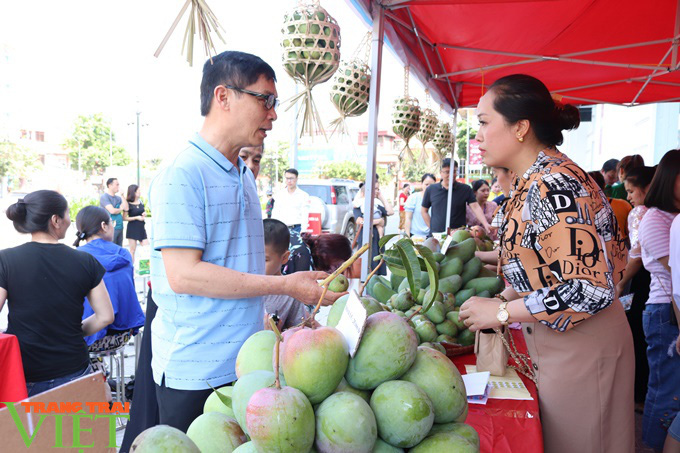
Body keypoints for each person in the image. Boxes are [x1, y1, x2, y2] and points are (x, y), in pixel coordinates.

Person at [147, 50, 343, 432]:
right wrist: (285, 285)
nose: (272, 113)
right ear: (223, 97)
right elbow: (184, 276)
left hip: (243, 366)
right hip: (196, 372)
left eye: (275, 103)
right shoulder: (183, 173)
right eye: (264, 100)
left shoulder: (243, 173)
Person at [458, 74, 634, 452]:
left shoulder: (553, 184)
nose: (478, 136)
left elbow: (588, 288)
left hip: (583, 348)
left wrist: (502, 312)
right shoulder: (530, 182)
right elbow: (544, 265)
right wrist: (505, 294)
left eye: (484, 123)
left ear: (520, 127)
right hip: (558, 343)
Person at [1, 190, 114, 396]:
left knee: (31, 429)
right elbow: (106, 316)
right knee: (76, 429)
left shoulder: (6, 260)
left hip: (25, 372)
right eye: (68, 214)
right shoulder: (85, 261)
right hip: (74, 369)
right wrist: (70, 331)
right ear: (55, 220)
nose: (70, 221)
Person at [637, 149, 680, 451]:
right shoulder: (655, 218)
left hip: (671, 308)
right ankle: (653, 446)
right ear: (671, 179)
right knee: (667, 388)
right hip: (666, 309)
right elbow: (675, 272)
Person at [73, 206, 145, 350]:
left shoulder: (74, 257)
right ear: (104, 226)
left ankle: (94, 370)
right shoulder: (123, 254)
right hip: (122, 333)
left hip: (84, 334)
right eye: (111, 223)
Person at [615, 165, 656, 409]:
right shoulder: (664, 212)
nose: (628, 196)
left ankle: (639, 394)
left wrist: (620, 284)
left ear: (647, 188)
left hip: (642, 282)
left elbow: (636, 255)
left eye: (631, 191)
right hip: (653, 281)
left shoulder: (640, 212)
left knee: (639, 336)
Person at [421, 159, 491, 234]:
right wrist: (432, 227)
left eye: (454, 171)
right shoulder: (431, 189)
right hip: (436, 235)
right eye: (447, 172)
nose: (451, 175)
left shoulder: (465, 189)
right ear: (441, 173)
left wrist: (485, 223)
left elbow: (475, 207)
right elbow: (424, 210)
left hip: (458, 235)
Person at [262, 219, 309, 331]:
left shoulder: (290, 293)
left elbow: (297, 332)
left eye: (264, 259)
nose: (256, 264)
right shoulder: (241, 282)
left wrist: (276, 334)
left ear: (284, 257)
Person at [353, 179, 393, 275]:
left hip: (378, 240)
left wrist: (382, 197)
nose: (377, 191)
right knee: (364, 269)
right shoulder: (360, 204)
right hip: (365, 238)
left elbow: (390, 212)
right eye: (374, 189)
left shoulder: (377, 204)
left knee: (377, 269)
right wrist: (378, 221)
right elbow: (359, 220)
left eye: (378, 189)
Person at [588, 171, 631, 241]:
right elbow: (631, 235)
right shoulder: (623, 205)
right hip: (619, 249)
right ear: (604, 185)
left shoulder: (578, 208)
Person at [271, 168, 310, 236]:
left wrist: (303, 231)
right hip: (281, 229)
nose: (289, 181)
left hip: (297, 229)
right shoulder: (279, 195)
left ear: (297, 178)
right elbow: (275, 213)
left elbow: (305, 215)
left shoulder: (304, 195)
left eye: (291, 178)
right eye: (287, 178)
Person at [404, 173, 436, 238]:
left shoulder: (437, 200)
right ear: (422, 184)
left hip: (431, 236)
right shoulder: (413, 198)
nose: (429, 187)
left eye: (432, 185)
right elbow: (408, 218)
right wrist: (407, 237)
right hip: (415, 236)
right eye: (426, 184)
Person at [123, 184, 149, 263]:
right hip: (132, 228)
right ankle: (131, 267)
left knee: (146, 247)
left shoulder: (140, 201)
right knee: (132, 250)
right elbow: (124, 217)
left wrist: (144, 214)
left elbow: (142, 211)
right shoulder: (128, 203)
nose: (140, 192)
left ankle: (145, 266)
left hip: (141, 227)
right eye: (138, 190)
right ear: (133, 192)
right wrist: (136, 218)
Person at [100, 178, 128, 247]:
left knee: (119, 249)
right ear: (110, 185)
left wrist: (122, 195)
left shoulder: (118, 198)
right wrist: (121, 208)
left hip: (119, 227)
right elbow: (112, 211)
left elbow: (126, 208)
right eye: (117, 184)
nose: (118, 186)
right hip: (109, 228)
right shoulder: (104, 197)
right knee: (111, 249)